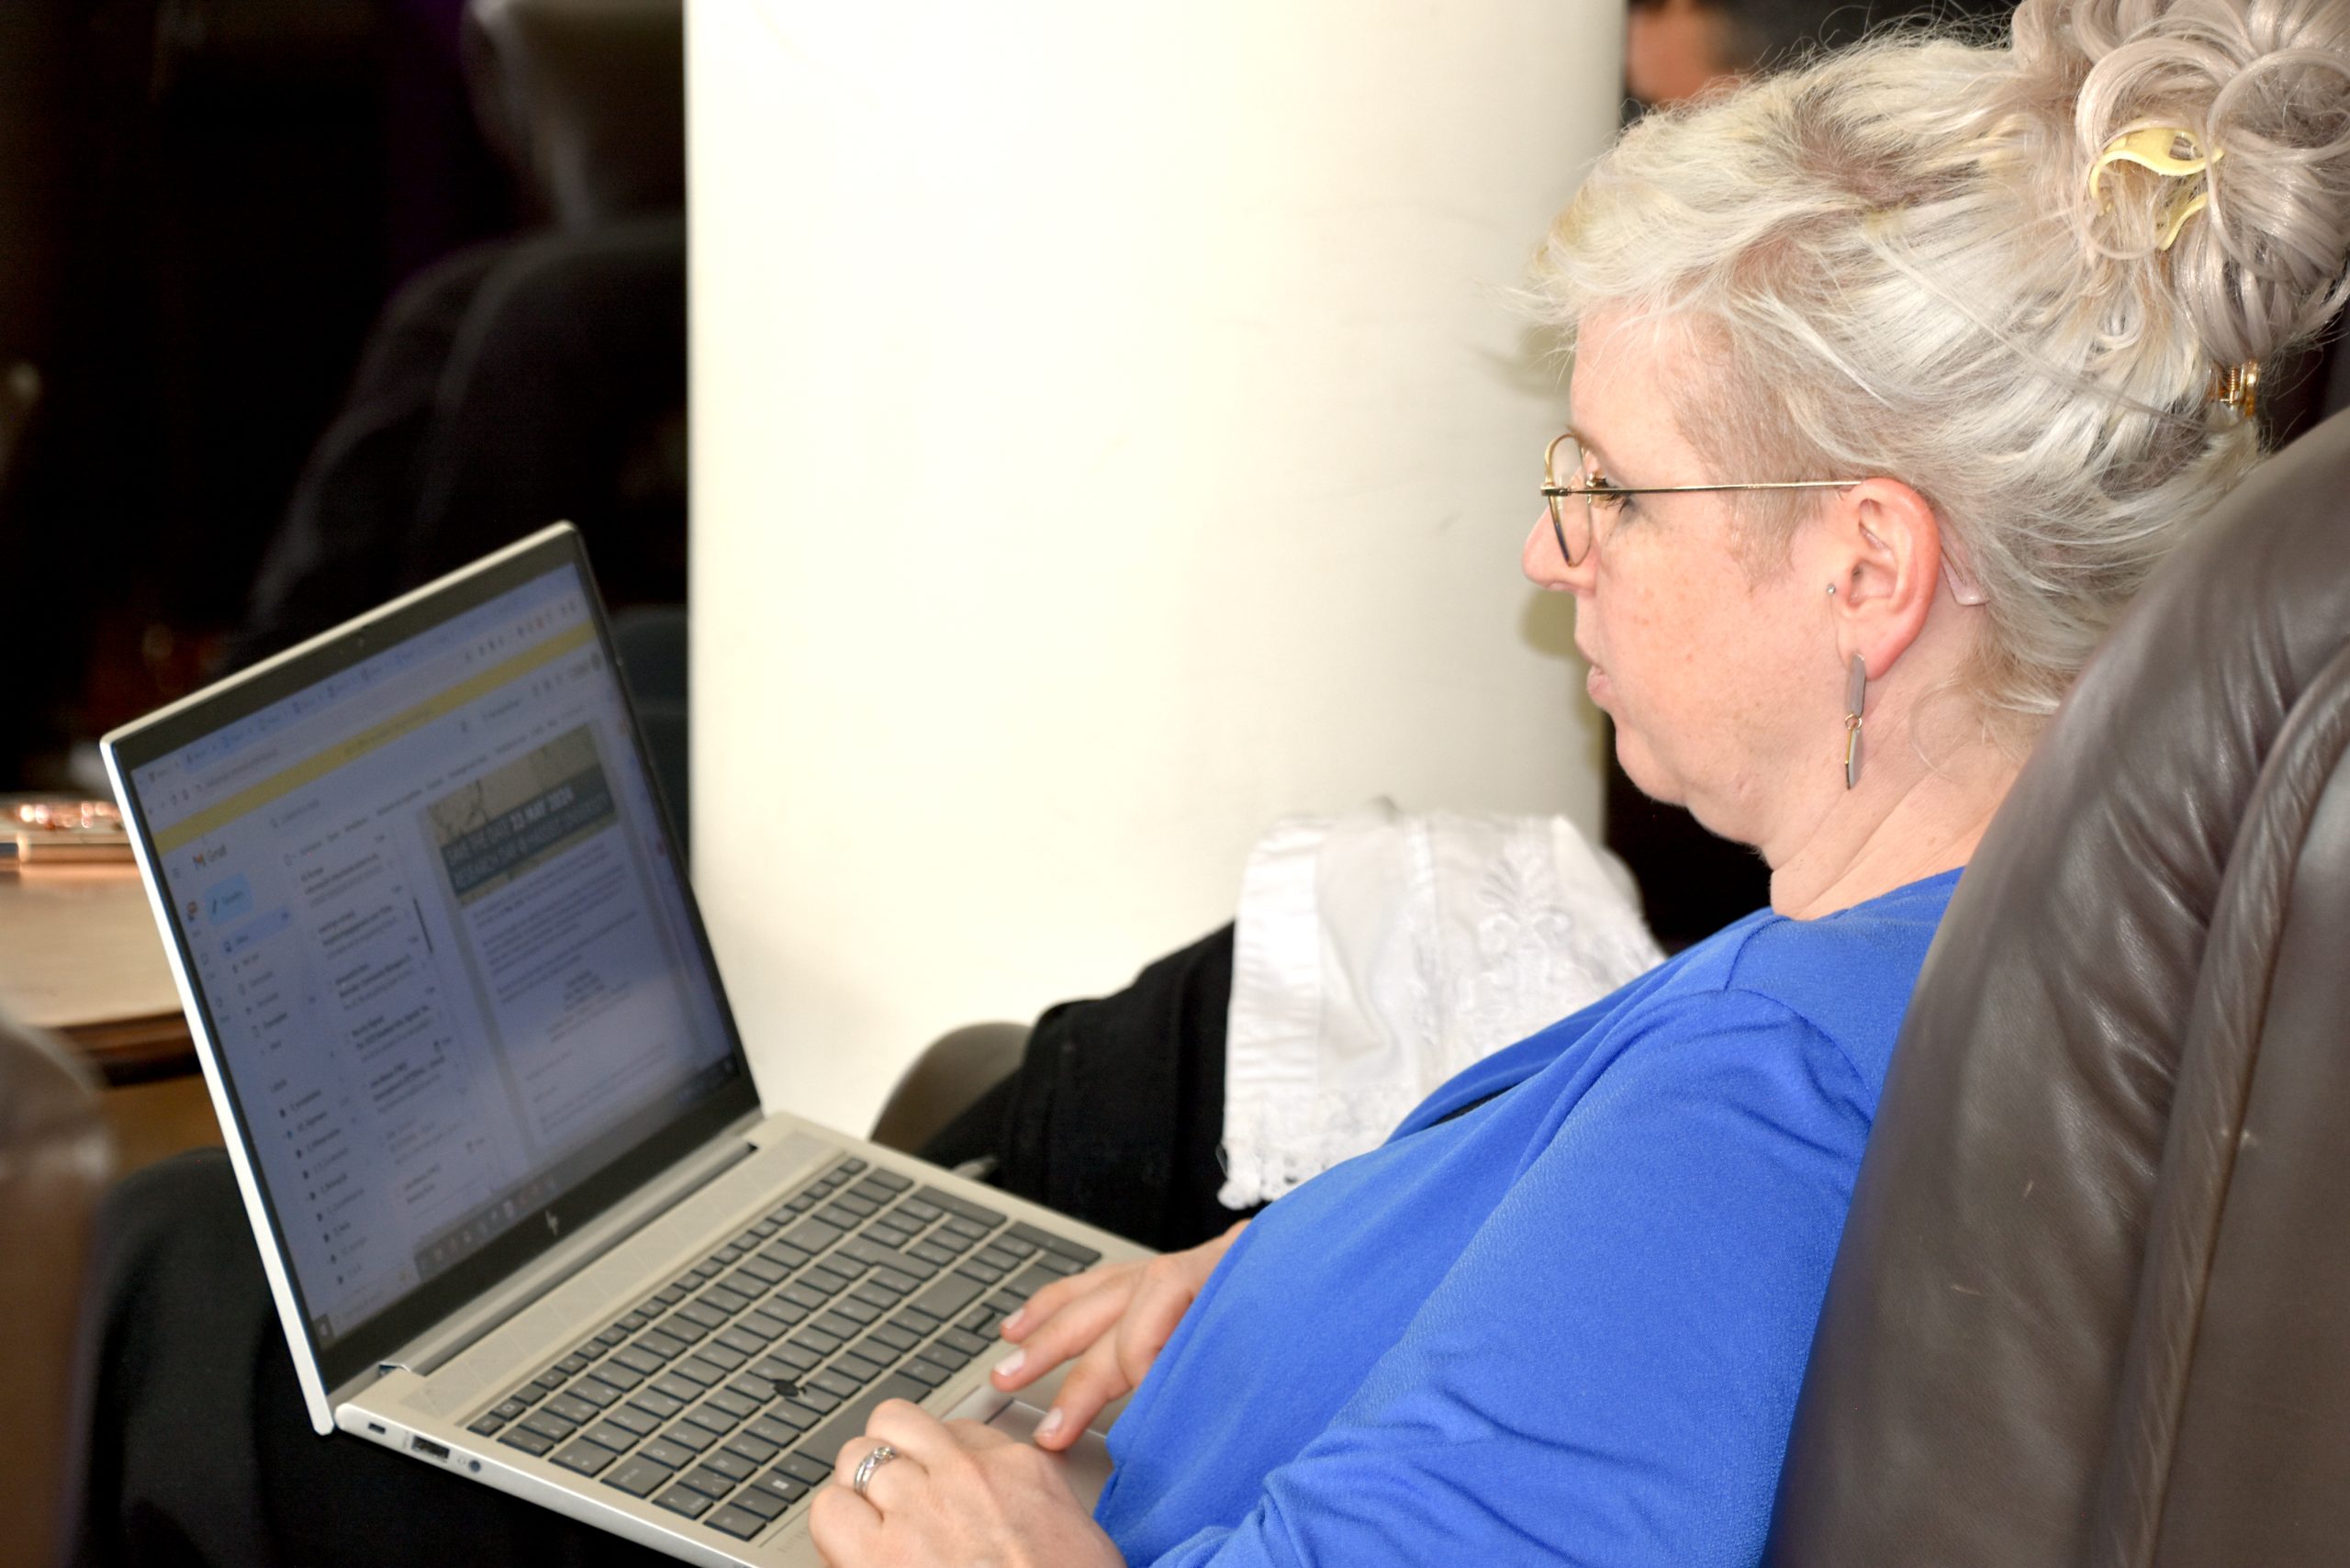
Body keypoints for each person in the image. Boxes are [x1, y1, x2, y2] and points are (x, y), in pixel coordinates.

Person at [805, 1, 2350, 1564]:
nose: (1553, 552)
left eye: (1616, 491)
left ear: (1869, 568)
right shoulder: (2066, 949)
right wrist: (1319, 1287)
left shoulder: (1763, 1097)